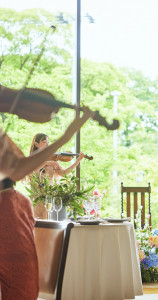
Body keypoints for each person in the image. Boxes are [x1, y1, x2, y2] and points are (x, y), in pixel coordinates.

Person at [0, 106, 94, 300]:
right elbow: (20, 170)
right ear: (36, 143)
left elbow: (19, 169)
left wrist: (71, 151)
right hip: (22, 204)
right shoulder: (15, 202)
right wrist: (66, 136)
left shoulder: (18, 202)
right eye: (44, 141)